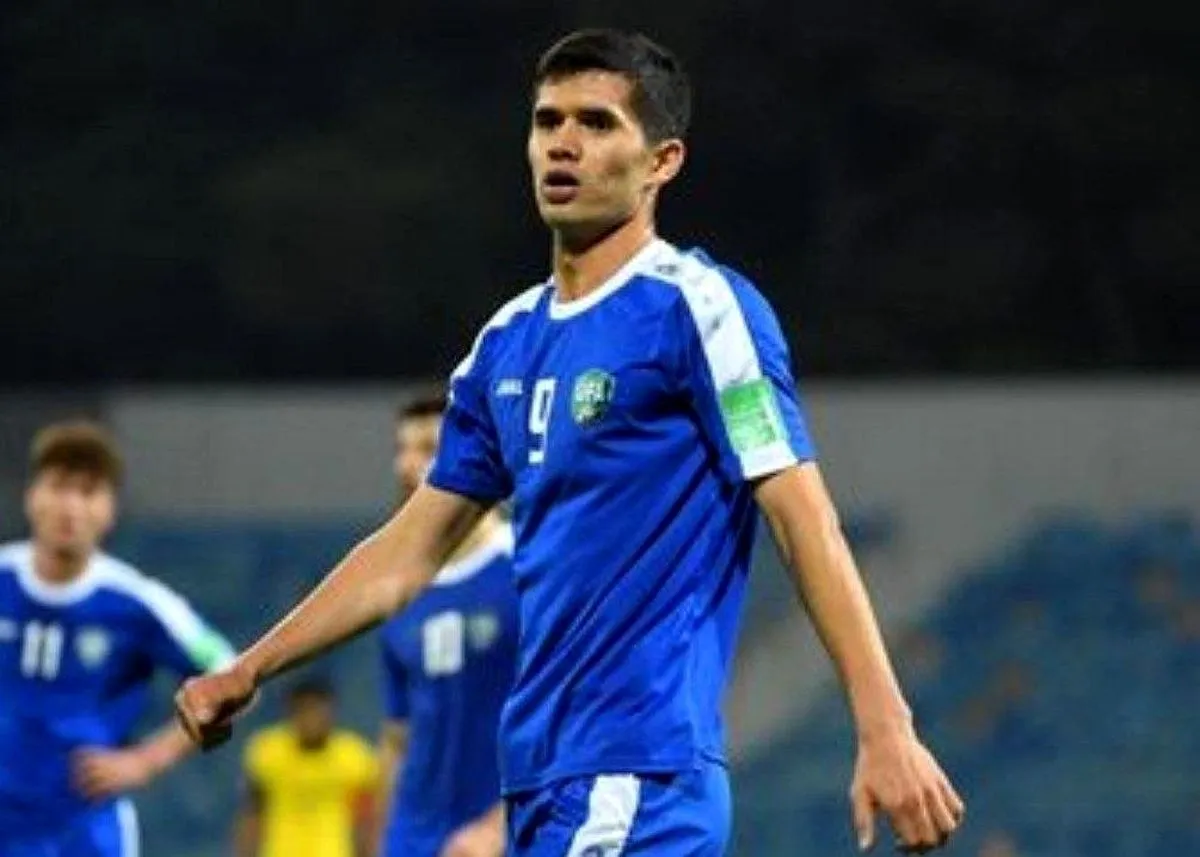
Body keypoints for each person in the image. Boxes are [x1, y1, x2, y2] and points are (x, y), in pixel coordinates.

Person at [176, 28, 966, 856]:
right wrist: (250, 667)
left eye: (597, 123)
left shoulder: (699, 309)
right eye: (547, 120)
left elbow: (803, 517)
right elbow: (407, 553)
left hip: (636, 769)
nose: (563, 142)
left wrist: (885, 725)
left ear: (662, 162)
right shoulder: (504, 343)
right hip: (537, 778)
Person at [0, 420, 234, 857]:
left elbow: (232, 674)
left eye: (88, 491)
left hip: (85, 834)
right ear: (32, 496)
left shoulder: (138, 602)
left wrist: (148, 760)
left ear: (109, 510)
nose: (70, 507)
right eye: (59, 486)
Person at [375, 393, 518, 857]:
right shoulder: (394, 588)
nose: (405, 466)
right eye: (401, 450)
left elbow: (573, 708)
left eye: (427, 449)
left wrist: (499, 826)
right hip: (413, 837)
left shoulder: (526, 566)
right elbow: (397, 735)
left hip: (507, 834)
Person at [234, 678, 377, 857]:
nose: (311, 719)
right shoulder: (267, 752)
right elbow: (252, 816)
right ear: (291, 712)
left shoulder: (355, 758)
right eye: (304, 710)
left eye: (317, 710)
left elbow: (364, 823)